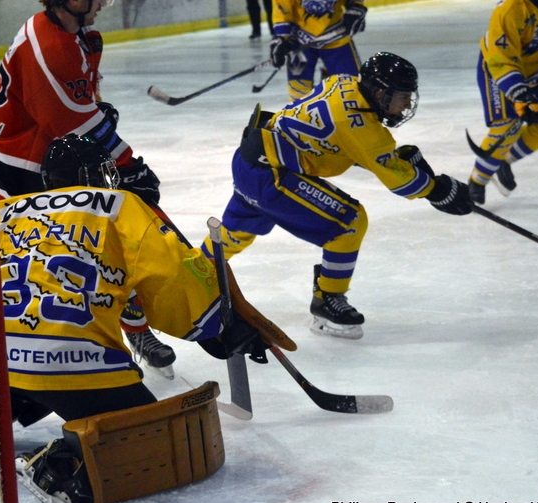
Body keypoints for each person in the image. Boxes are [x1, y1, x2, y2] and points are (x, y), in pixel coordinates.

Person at [0, 134, 267, 503]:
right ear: (101, 175)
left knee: (7, 349)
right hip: (80, 371)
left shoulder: (2, 212)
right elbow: (174, 279)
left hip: (2, 369)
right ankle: (66, 467)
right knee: (156, 443)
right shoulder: (120, 207)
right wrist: (215, 327)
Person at [201, 52, 474, 340]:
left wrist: (393, 160)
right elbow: (401, 182)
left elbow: (337, 141)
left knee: (233, 233)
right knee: (349, 222)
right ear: (379, 93)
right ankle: (327, 302)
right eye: (402, 97)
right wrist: (439, 190)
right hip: (273, 178)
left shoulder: (342, 81)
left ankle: (194, 272)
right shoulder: (363, 130)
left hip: (250, 161)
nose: (406, 104)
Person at [0, 0, 178, 377]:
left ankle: (134, 330)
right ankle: (15, 360)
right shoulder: (48, 46)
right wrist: (128, 165)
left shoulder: (84, 37)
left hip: (62, 158)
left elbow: (86, 110)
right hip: (23, 169)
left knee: (108, 240)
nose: (105, 2)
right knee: (59, 259)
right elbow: (73, 122)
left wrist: (118, 160)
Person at [467, 0, 538, 204]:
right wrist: (519, 94)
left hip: (536, 69)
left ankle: (502, 160)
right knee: (505, 128)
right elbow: (499, 59)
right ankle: (477, 181)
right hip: (499, 72)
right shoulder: (509, 10)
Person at [269, 0, 368, 101]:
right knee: (298, 93)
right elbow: (281, 7)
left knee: (353, 90)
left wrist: (356, 7)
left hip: (336, 37)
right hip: (300, 38)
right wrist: (281, 37)